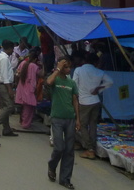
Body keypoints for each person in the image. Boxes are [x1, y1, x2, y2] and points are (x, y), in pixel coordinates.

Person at [46, 57, 82, 190]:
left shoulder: (71, 83)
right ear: (60, 67)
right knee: (59, 148)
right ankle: (52, 165)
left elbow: (75, 101)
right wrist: (58, 68)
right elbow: (48, 82)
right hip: (57, 118)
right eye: (66, 67)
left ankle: (65, 179)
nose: (68, 69)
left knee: (69, 150)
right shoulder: (55, 79)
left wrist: (78, 119)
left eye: (69, 67)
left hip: (70, 119)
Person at [72, 51, 113, 159]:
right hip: (95, 101)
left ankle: (89, 149)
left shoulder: (79, 70)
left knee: (82, 125)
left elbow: (74, 84)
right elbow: (110, 81)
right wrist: (99, 88)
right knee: (93, 124)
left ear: (85, 60)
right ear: (96, 62)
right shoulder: (99, 72)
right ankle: (92, 147)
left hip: (84, 101)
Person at [0, 39, 19, 138]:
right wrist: (10, 89)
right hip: (4, 85)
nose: (12, 51)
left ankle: (7, 128)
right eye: (12, 49)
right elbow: (4, 75)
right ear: (9, 48)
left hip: (3, 84)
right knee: (9, 106)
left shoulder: (1, 56)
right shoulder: (4, 58)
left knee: (5, 106)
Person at [15, 50, 43, 130]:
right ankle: (25, 124)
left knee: (23, 106)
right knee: (29, 108)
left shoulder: (23, 63)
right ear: (35, 59)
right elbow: (41, 74)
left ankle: (22, 121)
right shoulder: (34, 66)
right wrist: (43, 65)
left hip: (21, 86)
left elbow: (17, 74)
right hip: (30, 88)